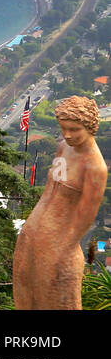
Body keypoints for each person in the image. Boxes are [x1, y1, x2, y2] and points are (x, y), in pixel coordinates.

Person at [13, 96, 108, 309]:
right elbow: (49, 190)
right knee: (25, 294)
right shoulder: (63, 148)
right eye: (64, 128)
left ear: (90, 126)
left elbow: (85, 216)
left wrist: (63, 248)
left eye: (74, 129)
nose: (67, 135)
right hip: (33, 232)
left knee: (56, 300)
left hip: (59, 243)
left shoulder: (94, 167)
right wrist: (29, 229)